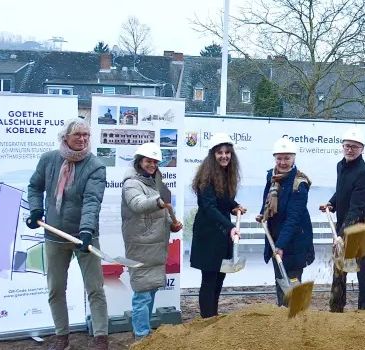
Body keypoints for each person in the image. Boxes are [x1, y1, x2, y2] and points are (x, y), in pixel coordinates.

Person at [26, 117, 109, 350]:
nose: (83, 139)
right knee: (55, 288)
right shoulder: (49, 160)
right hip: (54, 235)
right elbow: (35, 186)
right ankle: (62, 336)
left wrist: (86, 231)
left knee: (95, 288)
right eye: (77, 135)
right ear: (65, 138)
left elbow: (92, 201)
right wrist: (36, 209)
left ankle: (101, 337)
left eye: (86, 135)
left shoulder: (95, 166)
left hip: (85, 237)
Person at [121, 142, 181, 340]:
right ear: (139, 161)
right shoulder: (131, 184)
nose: (152, 165)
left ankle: (143, 333)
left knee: (151, 290)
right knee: (142, 295)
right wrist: (157, 202)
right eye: (148, 161)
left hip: (155, 247)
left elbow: (162, 213)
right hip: (141, 247)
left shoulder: (155, 182)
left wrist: (172, 224)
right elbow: (138, 205)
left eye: (155, 162)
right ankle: (141, 338)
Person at [320, 127, 365, 312]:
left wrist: (341, 233)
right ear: (342, 147)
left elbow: (356, 208)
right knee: (339, 266)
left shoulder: (363, 173)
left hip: (362, 227)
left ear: (362, 149)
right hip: (345, 222)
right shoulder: (341, 166)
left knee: (363, 270)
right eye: (347, 146)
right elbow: (343, 191)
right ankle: (336, 308)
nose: (350, 150)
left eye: (354, 147)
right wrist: (331, 203)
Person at [189, 133, 246, 318]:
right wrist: (230, 227)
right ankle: (207, 320)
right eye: (220, 152)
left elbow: (223, 200)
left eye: (227, 152)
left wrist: (234, 205)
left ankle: (213, 316)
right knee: (209, 279)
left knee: (219, 277)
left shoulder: (225, 174)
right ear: (212, 154)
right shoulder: (206, 178)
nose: (224, 156)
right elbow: (209, 207)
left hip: (221, 235)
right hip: (208, 235)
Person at [256, 137, 314, 306]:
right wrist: (263, 213)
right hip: (275, 238)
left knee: (292, 283)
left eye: (287, 158)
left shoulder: (299, 183)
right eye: (279, 158)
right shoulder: (272, 176)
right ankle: (283, 319)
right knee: (280, 280)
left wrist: (281, 245)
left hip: (295, 241)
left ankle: (295, 321)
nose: (282, 162)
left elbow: (294, 218)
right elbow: (267, 197)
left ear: (294, 158)